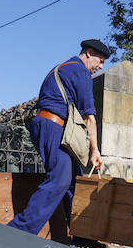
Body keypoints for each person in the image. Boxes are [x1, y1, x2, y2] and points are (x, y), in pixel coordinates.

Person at [9, 39, 109, 237]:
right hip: (53, 126)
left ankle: (83, 237)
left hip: (49, 126)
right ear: (89, 53)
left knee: (72, 183)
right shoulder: (79, 71)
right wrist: (94, 150)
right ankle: (19, 230)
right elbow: (89, 117)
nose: (101, 66)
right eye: (100, 60)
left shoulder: (64, 67)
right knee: (60, 180)